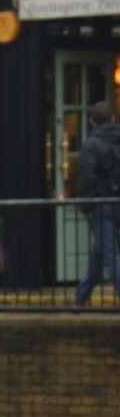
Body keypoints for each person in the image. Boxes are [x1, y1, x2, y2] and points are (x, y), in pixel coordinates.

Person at [74, 101, 120, 307]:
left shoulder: (91, 145)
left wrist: (87, 207)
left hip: (102, 205)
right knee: (99, 252)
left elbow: (87, 179)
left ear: (92, 122)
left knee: (110, 254)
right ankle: (80, 297)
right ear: (112, 118)